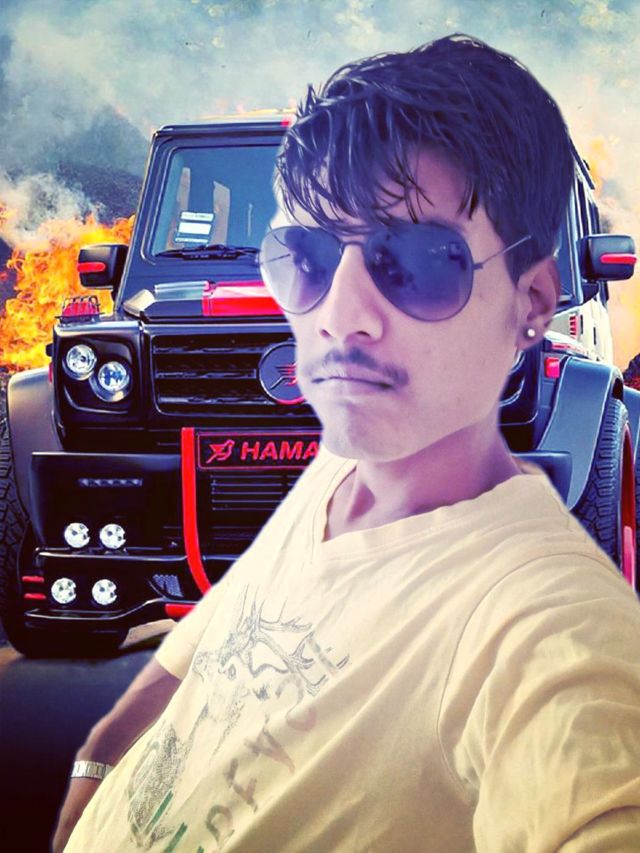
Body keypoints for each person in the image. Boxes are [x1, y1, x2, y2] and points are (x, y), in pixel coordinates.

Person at [55, 33, 640, 852]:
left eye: (423, 261)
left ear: (535, 299)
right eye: (306, 255)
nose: (339, 314)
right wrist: (94, 760)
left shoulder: (550, 628)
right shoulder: (339, 472)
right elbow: (205, 643)